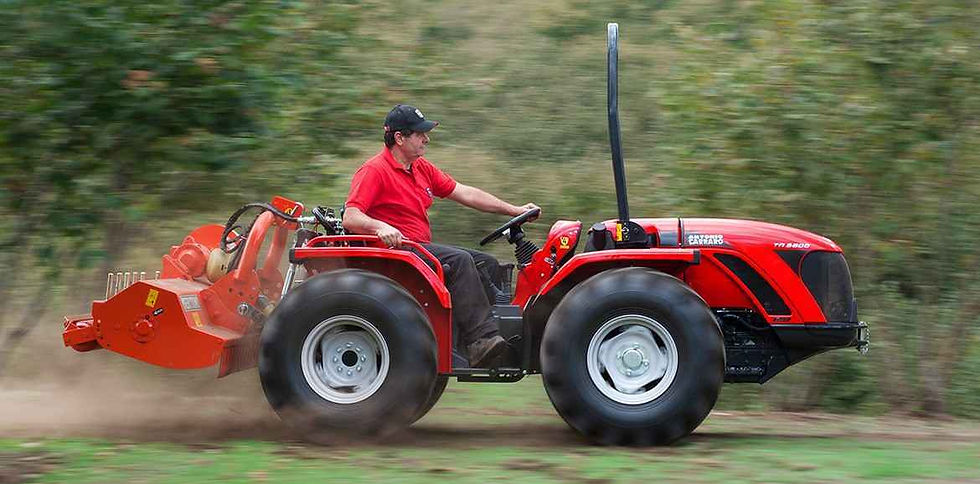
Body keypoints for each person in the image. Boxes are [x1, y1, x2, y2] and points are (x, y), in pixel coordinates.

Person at [343, 104, 540, 367]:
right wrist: (381, 227)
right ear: (399, 138)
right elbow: (351, 217)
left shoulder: (421, 168)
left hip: (418, 248)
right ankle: (480, 341)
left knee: (488, 263)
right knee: (459, 261)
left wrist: (513, 209)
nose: (426, 138)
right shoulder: (375, 170)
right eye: (419, 133)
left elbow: (465, 193)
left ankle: (490, 339)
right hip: (397, 252)